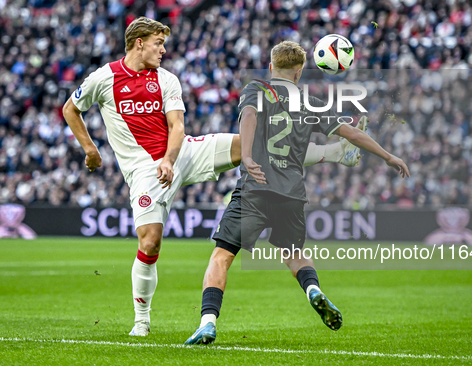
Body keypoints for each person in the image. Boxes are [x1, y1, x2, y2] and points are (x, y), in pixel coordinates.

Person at [63, 17, 364, 337]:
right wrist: (90, 149)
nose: (163, 50)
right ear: (139, 43)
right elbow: (71, 108)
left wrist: (170, 158)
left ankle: (335, 152)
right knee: (150, 243)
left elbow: (177, 127)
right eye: (158, 43)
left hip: (180, 153)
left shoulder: (166, 79)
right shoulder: (105, 78)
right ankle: (142, 319)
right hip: (144, 169)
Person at [185, 41, 410, 345]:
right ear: (299, 72)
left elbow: (248, 117)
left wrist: (248, 155)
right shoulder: (311, 102)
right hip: (291, 192)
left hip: (256, 187)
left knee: (222, 255)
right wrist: (388, 157)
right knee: (294, 255)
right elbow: (353, 133)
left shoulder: (256, 90)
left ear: (270, 68)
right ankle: (313, 290)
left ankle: (208, 322)